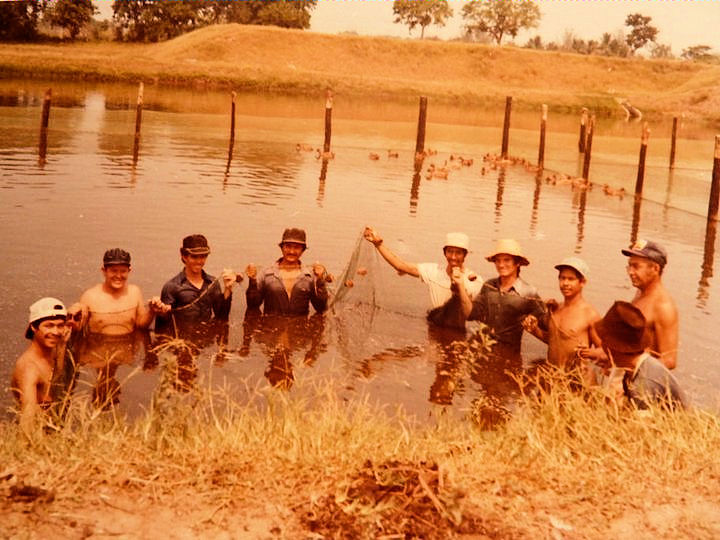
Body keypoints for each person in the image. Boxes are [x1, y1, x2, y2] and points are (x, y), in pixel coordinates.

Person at [363, 227, 482, 329]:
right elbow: (400, 266)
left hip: (458, 329)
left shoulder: (474, 280)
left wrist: (460, 286)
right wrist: (378, 244)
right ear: (444, 253)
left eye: (458, 253)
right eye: (450, 252)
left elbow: (476, 314)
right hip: (436, 326)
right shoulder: (434, 271)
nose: (453, 257)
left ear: (465, 255)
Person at [460, 239, 545, 361]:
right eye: (498, 260)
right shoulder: (489, 286)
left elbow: (544, 321)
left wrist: (535, 322)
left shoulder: (528, 292)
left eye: (506, 260)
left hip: (508, 355)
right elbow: (471, 315)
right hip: (483, 350)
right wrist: (460, 286)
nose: (501, 265)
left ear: (517, 263)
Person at [593, 301, 687, 409]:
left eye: (604, 339)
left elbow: (640, 420)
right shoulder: (643, 365)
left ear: (611, 347)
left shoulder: (642, 385)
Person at [523, 257, 601, 371]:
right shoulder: (556, 309)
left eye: (571, 279)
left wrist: (590, 353)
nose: (565, 283)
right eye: (562, 278)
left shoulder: (590, 314)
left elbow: (606, 352)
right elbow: (554, 341)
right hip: (552, 375)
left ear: (582, 282)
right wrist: (535, 330)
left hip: (577, 378)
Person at [11, 298, 74, 436]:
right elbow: (28, 417)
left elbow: (56, 377)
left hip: (52, 429)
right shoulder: (29, 368)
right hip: (38, 435)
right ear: (33, 327)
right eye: (49, 326)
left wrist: (62, 345)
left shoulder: (53, 353)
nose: (56, 332)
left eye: (60, 326)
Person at [153, 234, 235, 340]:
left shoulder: (212, 283)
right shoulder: (172, 287)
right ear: (184, 256)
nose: (199, 261)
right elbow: (160, 330)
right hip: (182, 342)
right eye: (194, 257)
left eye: (203, 256)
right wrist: (162, 314)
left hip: (206, 342)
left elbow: (221, 318)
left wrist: (228, 288)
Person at [621, 239, 679, 369]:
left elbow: (669, 360)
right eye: (629, 266)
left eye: (636, 266)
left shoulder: (663, 306)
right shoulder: (640, 293)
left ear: (655, 269)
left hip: (640, 378)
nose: (630, 272)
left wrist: (628, 364)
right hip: (625, 373)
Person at [78, 248, 163, 336]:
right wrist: (73, 316)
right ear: (104, 271)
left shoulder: (134, 292)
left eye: (123, 271)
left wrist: (152, 311)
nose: (118, 276)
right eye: (113, 271)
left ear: (129, 271)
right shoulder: (89, 297)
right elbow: (77, 329)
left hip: (128, 344)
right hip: (98, 344)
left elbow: (141, 325)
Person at [246, 228, 329, 316]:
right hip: (271, 323)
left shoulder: (310, 276)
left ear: (303, 250)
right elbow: (252, 305)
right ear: (282, 248)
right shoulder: (266, 274)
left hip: (300, 323)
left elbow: (321, 308)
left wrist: (320, 280)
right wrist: (252, 280)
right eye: (288, 246)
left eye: (296, 247)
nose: (291, 251)